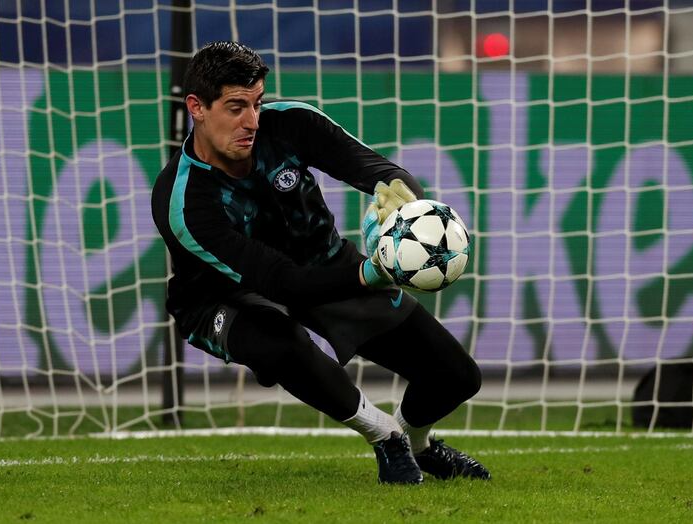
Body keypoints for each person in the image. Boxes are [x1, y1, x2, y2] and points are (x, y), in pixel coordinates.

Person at [151, 41, 490, 484]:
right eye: (235, 107)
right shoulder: (184, 202)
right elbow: (282, 284)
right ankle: (384, 434)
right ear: (196, 107)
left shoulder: (291, 123)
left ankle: (417, 443)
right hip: (217, 297)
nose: (251, 121)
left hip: (322, 263)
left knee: (456, 376)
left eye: (256, 103)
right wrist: (372, 272)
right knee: (279, 341)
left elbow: (375, 169)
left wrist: (400, 205)